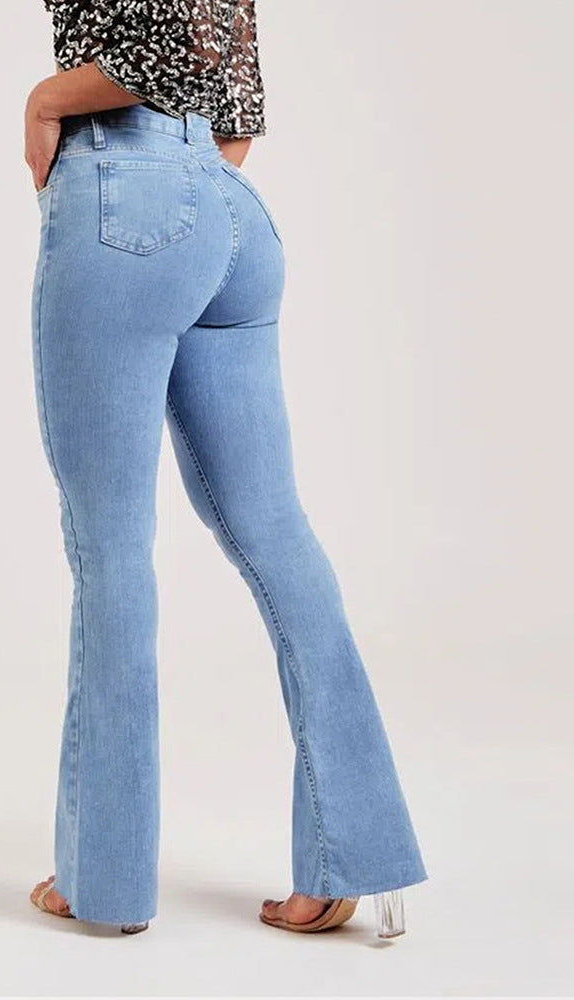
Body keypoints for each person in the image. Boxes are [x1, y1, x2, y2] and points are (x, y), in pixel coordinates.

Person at [25, 0, 427, 936]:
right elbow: (233, 107)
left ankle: (105, 881)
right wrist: (185, 179)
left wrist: (45, 100)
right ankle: (352, 860)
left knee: (111, 548)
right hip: (229, 207)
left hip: (120, 195)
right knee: (275, 532)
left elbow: (153, 53)